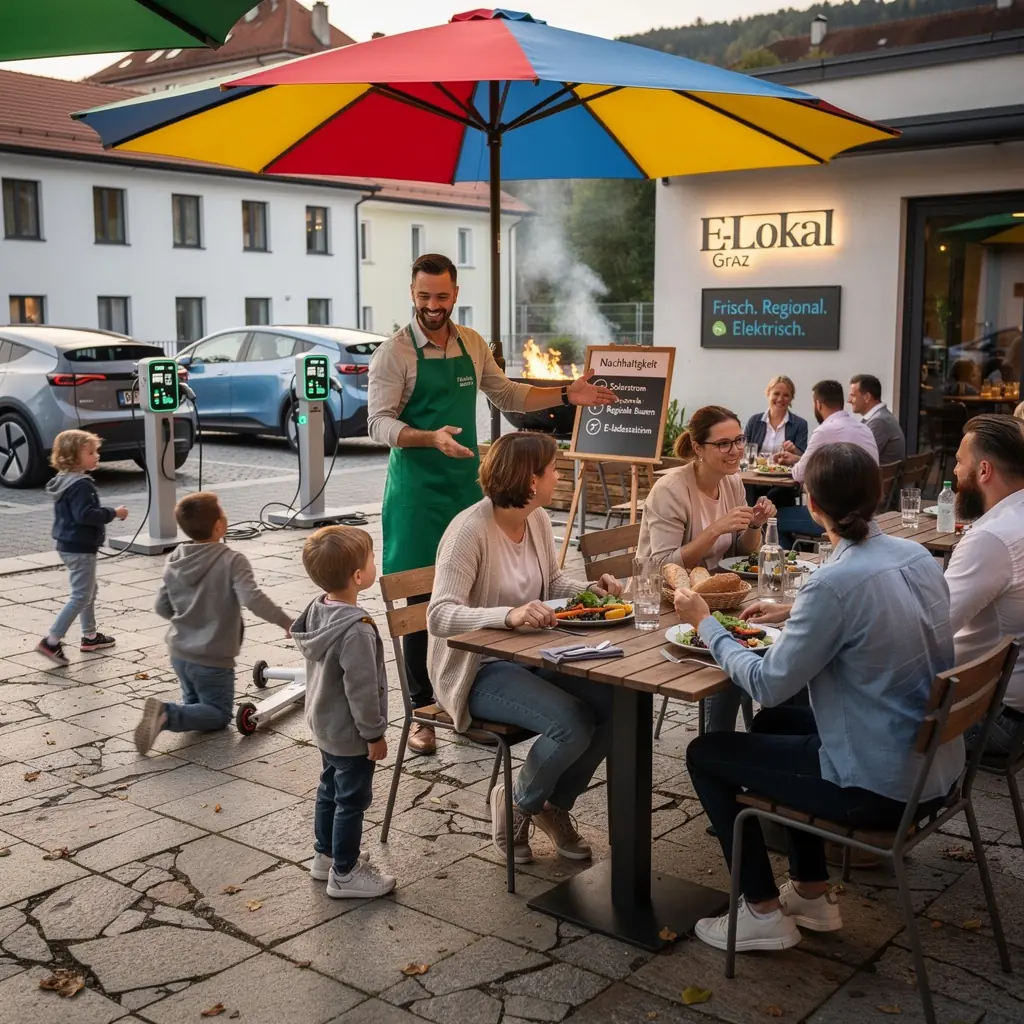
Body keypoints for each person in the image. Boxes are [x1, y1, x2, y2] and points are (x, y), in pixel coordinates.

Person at [673, 442, 962, 954]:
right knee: (771, 725)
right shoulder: (916, 555)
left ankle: (760, 909)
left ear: (809, 503)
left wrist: (707, 624)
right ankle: (810, 893)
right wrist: (790, 614)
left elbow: (764, 682)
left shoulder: (831, 583)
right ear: (876, 497)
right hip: (934, 768)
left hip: (878, 787)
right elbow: (861, 618)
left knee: (705, 754)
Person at [368, 253, 616, 755]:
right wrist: (428, 438)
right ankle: (422, 710)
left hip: (466, 485)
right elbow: (378, 424)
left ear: (455, 294)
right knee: (421, 601)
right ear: (411, 293)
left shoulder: (471, 343)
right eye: (423, 296)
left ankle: (484, 683)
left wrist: (568, 394)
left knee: (475, 588)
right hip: (416, 493)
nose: (432, 305)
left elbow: (506, 395)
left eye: (441, 296)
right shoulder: (393, 353)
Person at [428, 432, 621, 864]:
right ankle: (516, 801)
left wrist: (590, 590)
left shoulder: (535, 519)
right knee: (571, 722)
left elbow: (551, 584)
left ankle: (550, 805)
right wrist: (506, 615)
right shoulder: (469, 531)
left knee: (618, 702)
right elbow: (438, 615)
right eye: (553, 469)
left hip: (533, 655)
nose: (559, 475)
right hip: (475, 668)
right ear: (531, 480)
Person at [637, 406, 775, 732]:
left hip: (715, 597)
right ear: (699, 448)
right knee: (738, 650)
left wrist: (755, 525)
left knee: (761, 641)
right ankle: (718, 745)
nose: (736, 450)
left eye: (739, 440)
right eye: (724, 444)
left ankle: (742, 741)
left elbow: (740, 552)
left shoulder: (732, 482)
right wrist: (714, 530)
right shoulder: (671, 490)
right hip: (663, 603)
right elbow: (659, 565)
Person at [133, 492, 294, 753]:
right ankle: (166, 715)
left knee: (196, 702)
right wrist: (286, 622)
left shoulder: (175, 558)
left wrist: (188, 624)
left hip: (179, 652)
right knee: (219, 715)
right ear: (219, 525)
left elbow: (161, 605)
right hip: (212, 657)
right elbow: (252, 598)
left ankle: (180, 714)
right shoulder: (232, 560)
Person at [291, 526, 395, 899]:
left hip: (325, 725)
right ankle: (346, 873)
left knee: (329, 790)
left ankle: (326, 855)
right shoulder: (357, 629)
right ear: (357, 577)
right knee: (351, 801)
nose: (373, 562)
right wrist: (374, 734)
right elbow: (362, 691)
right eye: (370, 558)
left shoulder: (319, 611)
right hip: (352, 733)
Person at [944, 415, 1024, 757]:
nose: (955, 473)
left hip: (993, 719)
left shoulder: (992, 538)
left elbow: (930, 627)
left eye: (961, 462)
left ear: (984, 471)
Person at [36, 430, 128, 666]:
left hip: (68, 546)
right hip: (80, 548)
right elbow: (85, 515)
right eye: (90, 452)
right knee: (80, 595)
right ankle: (52, 641)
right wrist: (114, 513)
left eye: (96, 451)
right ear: (73, 457)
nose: (96, 455)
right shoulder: (82, 485)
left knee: (89, 590)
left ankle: (90, 636)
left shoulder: (64, 481)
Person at [772, 380, 878, 547]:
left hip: (836, 516)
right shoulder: (864, 428)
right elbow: (843, 463)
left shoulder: (825, 431)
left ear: (818, 404)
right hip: (867, 514)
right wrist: (799, 459)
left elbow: (798, 474)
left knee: (773, 519)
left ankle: (787, 563)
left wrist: (798, 464)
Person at [744, 375, 808, 458]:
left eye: (786, 395)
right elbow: (742, 450)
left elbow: (803, 458)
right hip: (755, 470)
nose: (780, 399)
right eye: (776, 393)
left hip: (786, 471)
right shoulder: (754, 421)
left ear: (791, 398)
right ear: (768, 394)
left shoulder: (800, 424)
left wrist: (794, 450)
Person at [848, 373, 906, 464]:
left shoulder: (879, 421)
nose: (849, 400)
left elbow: (860, 459)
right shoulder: (883, 416)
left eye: (853, 396)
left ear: (867, 397)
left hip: (879, 477)